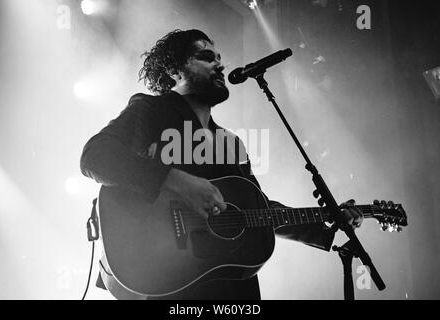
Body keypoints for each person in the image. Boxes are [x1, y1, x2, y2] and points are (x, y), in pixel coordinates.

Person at [80, 29, 363, 300]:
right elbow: (95, 156)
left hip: (228, 285)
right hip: (168, 276)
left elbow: (256, 210)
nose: (219, 64)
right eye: (206, 57)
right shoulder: (152, 111)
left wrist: (324, 218)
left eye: (219, 58)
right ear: (174, 71)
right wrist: (177, 181)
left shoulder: (230, 142)